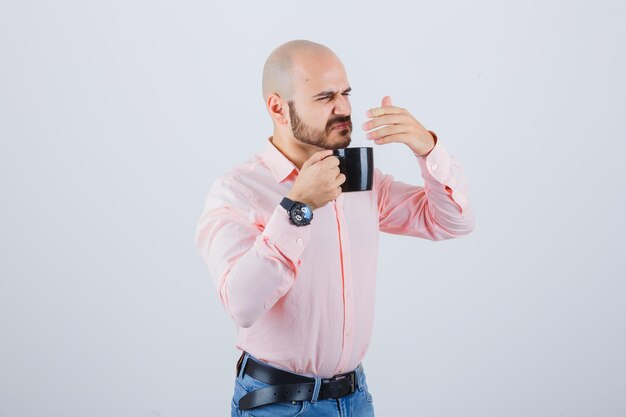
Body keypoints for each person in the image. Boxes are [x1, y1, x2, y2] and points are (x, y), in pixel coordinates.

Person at [194, 39, 475, 416]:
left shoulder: (361, 180)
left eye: (345, 93)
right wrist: (298, 208)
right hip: (276, 405)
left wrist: (427, 149)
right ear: (278, 108)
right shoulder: (237, 191)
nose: (343, 108)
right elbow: (242, 304)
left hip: (356, 399)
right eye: (325, 96)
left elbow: (451, 221)